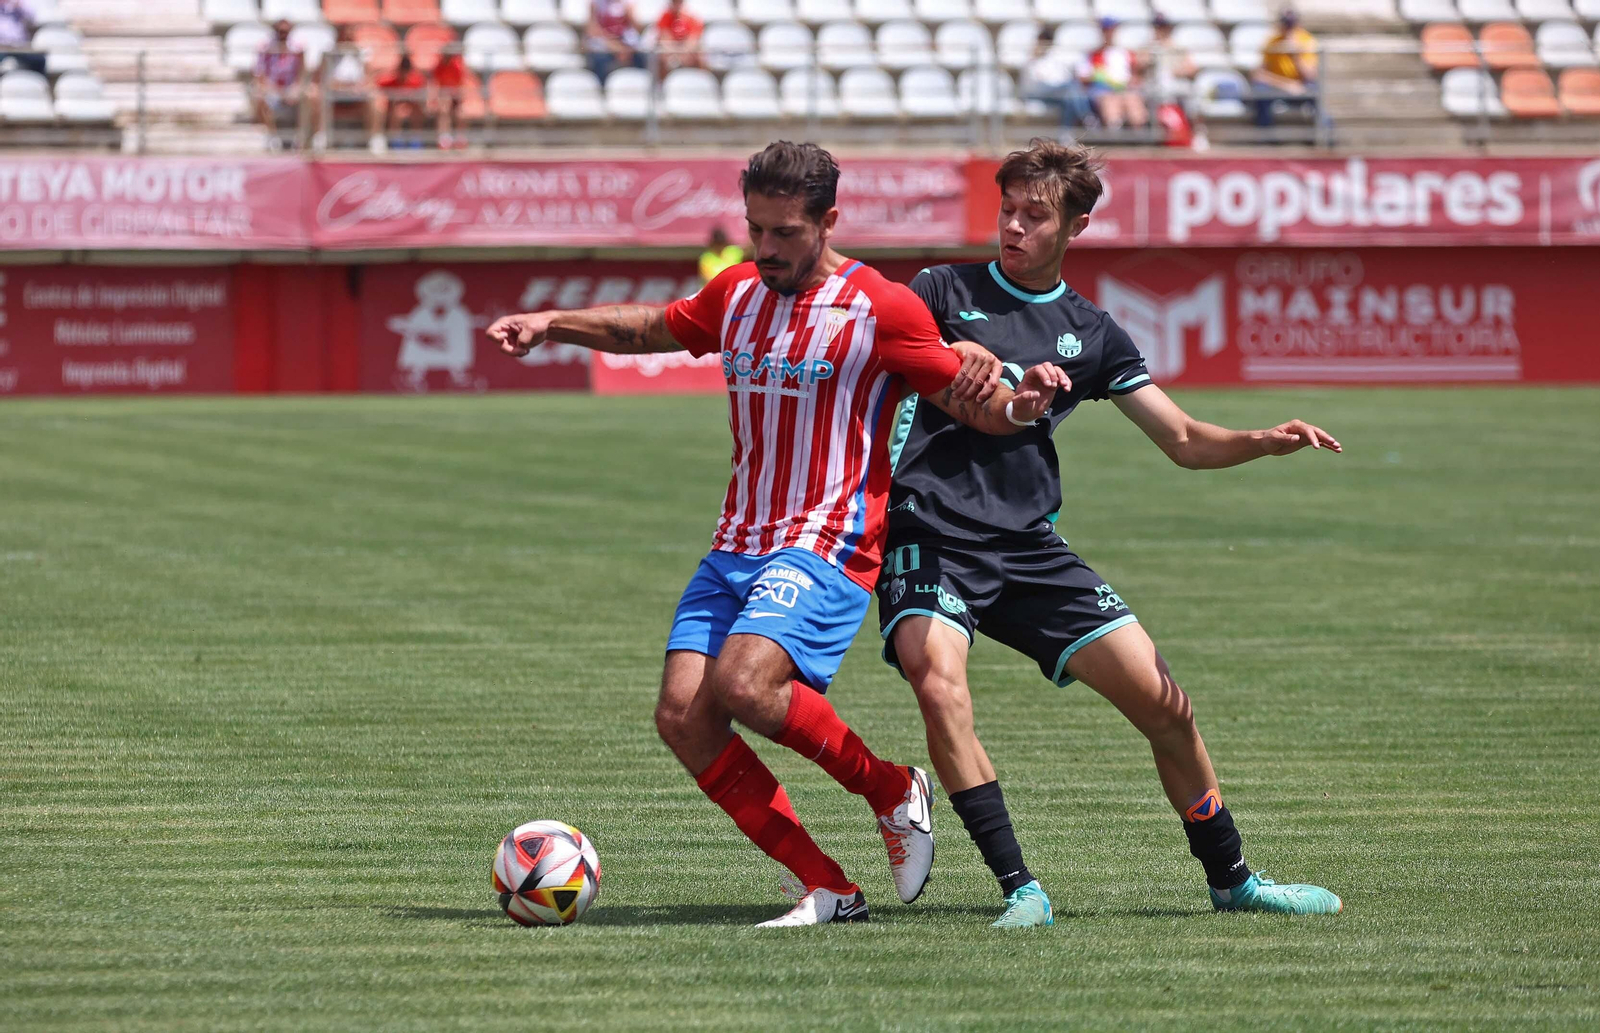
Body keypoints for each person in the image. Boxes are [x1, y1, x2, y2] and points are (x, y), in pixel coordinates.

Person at [487, 142, 1070, 927]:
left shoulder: (881, 307)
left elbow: (973, 403)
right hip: (737, 542)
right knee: (683, 718)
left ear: (828, 221)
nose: (764, 249)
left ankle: (893, 789)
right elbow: (654, 328)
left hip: (828, 542)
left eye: (783, 233)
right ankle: (829, 886)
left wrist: (1022, 404)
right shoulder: (737, 289)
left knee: (745, 684)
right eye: (755, 230)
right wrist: (552, 322)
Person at [879, 139, 1345, 927]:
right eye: (1008, 211)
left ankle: (1232, 878)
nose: (1015, 228)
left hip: (1028, 545)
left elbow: (1185, 438)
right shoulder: (939, 289)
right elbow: (895, 346)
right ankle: (1020, 887)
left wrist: (1264, 440)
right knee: (938, 683)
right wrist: (965, 355)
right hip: (931, 533)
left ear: (1077, 226)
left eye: (1036, 215)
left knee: (1167, 705)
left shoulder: (1090, 331)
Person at [307, 24, 379, 153]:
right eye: (344, 34)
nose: (347, 38)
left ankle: (375, 139)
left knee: (375, 97)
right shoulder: (328, 53)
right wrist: (341, 86)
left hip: (356, 95)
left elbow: (369, 79)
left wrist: (358, 87)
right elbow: (322, 80)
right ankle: (320, 137)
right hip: (333, 95)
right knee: (316, 95)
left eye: (350, 35)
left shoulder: (362, 53)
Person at [1251, 9, 1319, 129]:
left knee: (1316, 89)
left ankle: (1322, 136)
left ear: (1298, 24)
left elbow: (1310, 76)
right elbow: (1258, 75)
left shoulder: (1307, 40)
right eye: (1286, 24)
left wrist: (1295, 55)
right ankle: (1265, 137)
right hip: (1277, 88)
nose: (1288, 29)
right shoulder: (1272, 42)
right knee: (1260, 89)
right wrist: (1286, 85)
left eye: (1291, 25)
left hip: (1301, 88)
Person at [1078, 17, 1146, 130]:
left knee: (1134, 105)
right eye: (1106, 30)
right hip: (1102, 91)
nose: (1109, 33)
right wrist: (1098, 77)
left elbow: (1136, 76)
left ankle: (1139, 139)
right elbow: (1082, 77)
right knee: (1110, 105)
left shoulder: (1125, 53)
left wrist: (1130, 82)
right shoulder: (1093, 54)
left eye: (1111, 30)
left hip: (1125, 90)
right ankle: (1115, 139)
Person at [1020, 26, 1091, 131]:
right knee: (1071, 87)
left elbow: (1061, 78)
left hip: (1055, 94)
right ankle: (1087, 116)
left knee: (1069, 100)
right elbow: (1033, 83)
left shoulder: (1054, 57)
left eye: (1047, 40)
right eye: (1042, 40)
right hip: (1035, 93)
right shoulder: (1030, 57)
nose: (1044, 43)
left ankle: (1065, 135)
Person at [253, 20, 306, 151]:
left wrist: (295, 88)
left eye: (285, 32)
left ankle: (301, 136)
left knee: (309, 96)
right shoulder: (265, 48)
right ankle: (271, 135)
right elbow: (260, 76)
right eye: (280, 31)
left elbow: (302, 74)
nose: (282, 35)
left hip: (291, 88)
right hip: (272, 88)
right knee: (259, 97)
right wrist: (275, 90)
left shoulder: (298, 49)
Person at [374, 54, 427, 148]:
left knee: (417, 111)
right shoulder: (390, 80)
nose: (404, 75)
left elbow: (423, 96)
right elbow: (376, 87)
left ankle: (416, 139)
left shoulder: (417, 80)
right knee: (397, 112)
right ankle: (395, 140)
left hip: (412, 108)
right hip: (392, 109)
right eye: (402, 70)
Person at [584, 0, 643, 82]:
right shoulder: (596, 4)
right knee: (599, 59)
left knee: (642, 57)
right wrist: (615, 47)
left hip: (624, 44)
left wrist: (630, 15)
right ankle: (602, 88)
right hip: (606, 45)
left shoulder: (627, 4)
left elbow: (637, 30)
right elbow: (592, 31)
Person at [430, 48, 470, 149]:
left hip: (455, 95)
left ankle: (460, 137)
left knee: (461, 113)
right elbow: (435, 84)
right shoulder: (439, 66)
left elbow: (461, 84)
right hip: (444, 95)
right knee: (444, 108)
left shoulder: (457, 66)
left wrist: (457, 96)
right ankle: (444, 137)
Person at [654, 0, 704, 77]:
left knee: (700, 57)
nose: (677, 4)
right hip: (671, 53)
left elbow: (692, 41)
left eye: (679, 2)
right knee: (661, 57)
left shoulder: (691, 18)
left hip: (687, 53)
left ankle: (701, 80)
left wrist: (683, 54)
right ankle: (662, 84)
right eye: (674, 2)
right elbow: (665, 40)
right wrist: (676, 56)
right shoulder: (665, 17)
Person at [0, 0, 46, 76]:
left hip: (19, 47)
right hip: (1, 49)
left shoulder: (16, 5)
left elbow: (32, 18)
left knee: (39, 60)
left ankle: (39, 85)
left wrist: (19, 6)